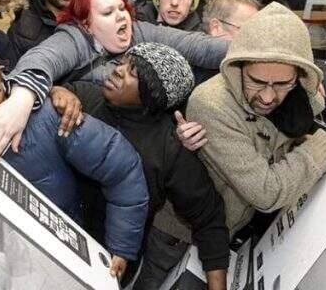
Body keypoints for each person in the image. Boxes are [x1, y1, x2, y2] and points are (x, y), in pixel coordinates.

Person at [0, 43, 149, 278]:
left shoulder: (51, 117)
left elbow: (123, 170)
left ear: (4, 81)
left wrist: (121, 248)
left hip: (65, 259)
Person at [186, 2, 326, 236]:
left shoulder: (297, 92)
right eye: (257, 81)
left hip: (238, 231)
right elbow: (267, 192)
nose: (267, 96)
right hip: (187, 242)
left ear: (299, 77)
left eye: (282, 84)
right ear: (238, 68)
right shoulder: (211, 104)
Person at [0, 0, 229, 162]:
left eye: (122, 9)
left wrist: (251, 50)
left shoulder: (140, 32)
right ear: (87, 24)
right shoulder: (74, 38)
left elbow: (199, 47)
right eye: (108, 13)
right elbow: (41, 58)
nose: (121, 17)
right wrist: (22, 98)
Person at [51, 43, 230, 289]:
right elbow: (43, 93)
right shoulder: (84, 97)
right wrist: (56, 92)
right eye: (123, 63)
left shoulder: (170, 148)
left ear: (152, 95)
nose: (118, 71)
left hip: (110, 263)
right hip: (52, 236)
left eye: (133, 72)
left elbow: (209, 218)